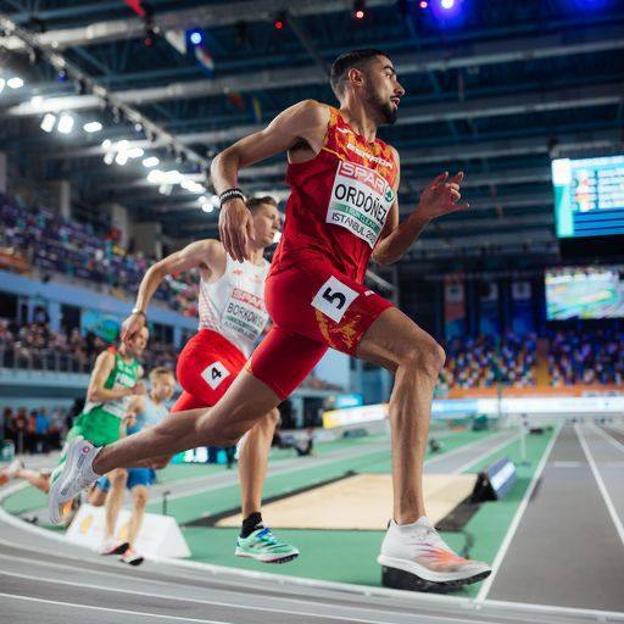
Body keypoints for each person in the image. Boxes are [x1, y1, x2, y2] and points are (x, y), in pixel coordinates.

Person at [49, 49, 490, 588]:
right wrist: (231, 196)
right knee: (423, 353)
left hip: (330, 298)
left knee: (221, 425)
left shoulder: (389, 160)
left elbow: (385, 252)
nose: (400, 85)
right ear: (357, 78)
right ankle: (409, 529)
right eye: (390, 73)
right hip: (302, 280)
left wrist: (421, 216)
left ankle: (89, 463)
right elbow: (227, 159)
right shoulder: (315, 119)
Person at [82, 196, 297, 563]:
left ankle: (89, 467)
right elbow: (159, 270)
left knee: (160, 455)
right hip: (205, 355)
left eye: (280, 219)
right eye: (270, 217)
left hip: (239, 366)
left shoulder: (272, 274)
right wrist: (139, 312)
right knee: (264, 414)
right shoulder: (215, 252)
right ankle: (252, 527)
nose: (277, 224)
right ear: (247, 219)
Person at [90, 367, 175, 566]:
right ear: (155, 385)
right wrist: (123, 425)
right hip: (121, 454)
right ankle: (108, 538)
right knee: (96, 500)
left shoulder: (165, 414)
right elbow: (118, 422)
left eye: (172, 387)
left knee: (141, 497)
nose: (170, 390)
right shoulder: (139, 402)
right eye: (166, 386)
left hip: (141, 462)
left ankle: (129, 548)